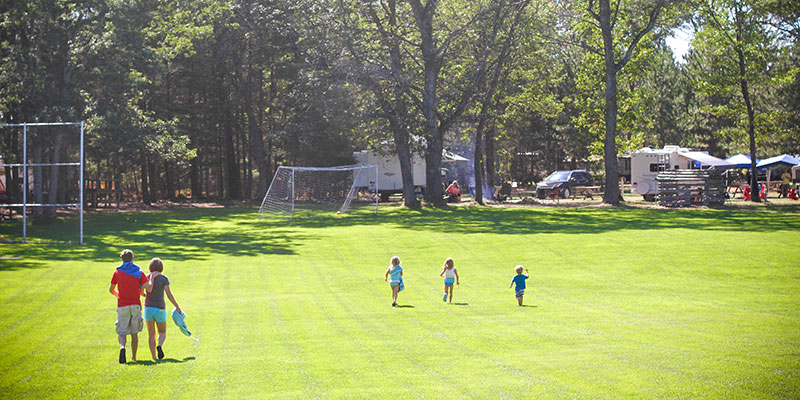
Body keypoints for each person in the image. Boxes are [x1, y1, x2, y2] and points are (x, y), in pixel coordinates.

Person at [110, 249, 150, 364]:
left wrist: (118, 295)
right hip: (135, 305)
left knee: (122, 331)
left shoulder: (117, 272)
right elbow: (148, 287)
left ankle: (122, 347)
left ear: (122, 259)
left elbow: (111, 289)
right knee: (134, 332)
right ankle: (133, 357)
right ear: (132, 259)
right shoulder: (139, 271)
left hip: (122, 304)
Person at [142, 257, 182, 361]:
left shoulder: (146, 277)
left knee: (151, 334)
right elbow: (169, 295)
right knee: (162, 332)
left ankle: (154, 357)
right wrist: (177, 306)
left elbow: (141, 291)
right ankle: (159, 345)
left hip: (148, 309)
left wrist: (146, 295)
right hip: (160, 308)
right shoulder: (164, 279)